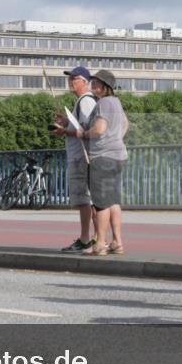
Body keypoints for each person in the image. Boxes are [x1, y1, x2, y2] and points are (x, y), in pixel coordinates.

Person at [75, 70, 128, 255]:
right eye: (93, 82)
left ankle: (100, 243)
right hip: (118, 155)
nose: (94, 85)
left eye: (98, 83)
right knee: (113, 200)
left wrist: (84, 134)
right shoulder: (116, 102)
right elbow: (125, 123)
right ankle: (117, 242)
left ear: (106, 87)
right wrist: (116, 139)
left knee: (101, 202)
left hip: (102, 157)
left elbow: (99, 129)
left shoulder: (104, 102)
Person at [54, 66, 98, 252]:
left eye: (75, 78)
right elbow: (82, 125)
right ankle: (94, 238)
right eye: (70, 78)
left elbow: (86, 130)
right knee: (88, 199)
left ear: (85, 82)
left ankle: (88, 238)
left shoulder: (86, 101)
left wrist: (65, 131)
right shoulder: (82, 102)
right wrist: (66, 121)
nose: (71, 81)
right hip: (81, 156)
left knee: (84, 200)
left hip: (82, 156)